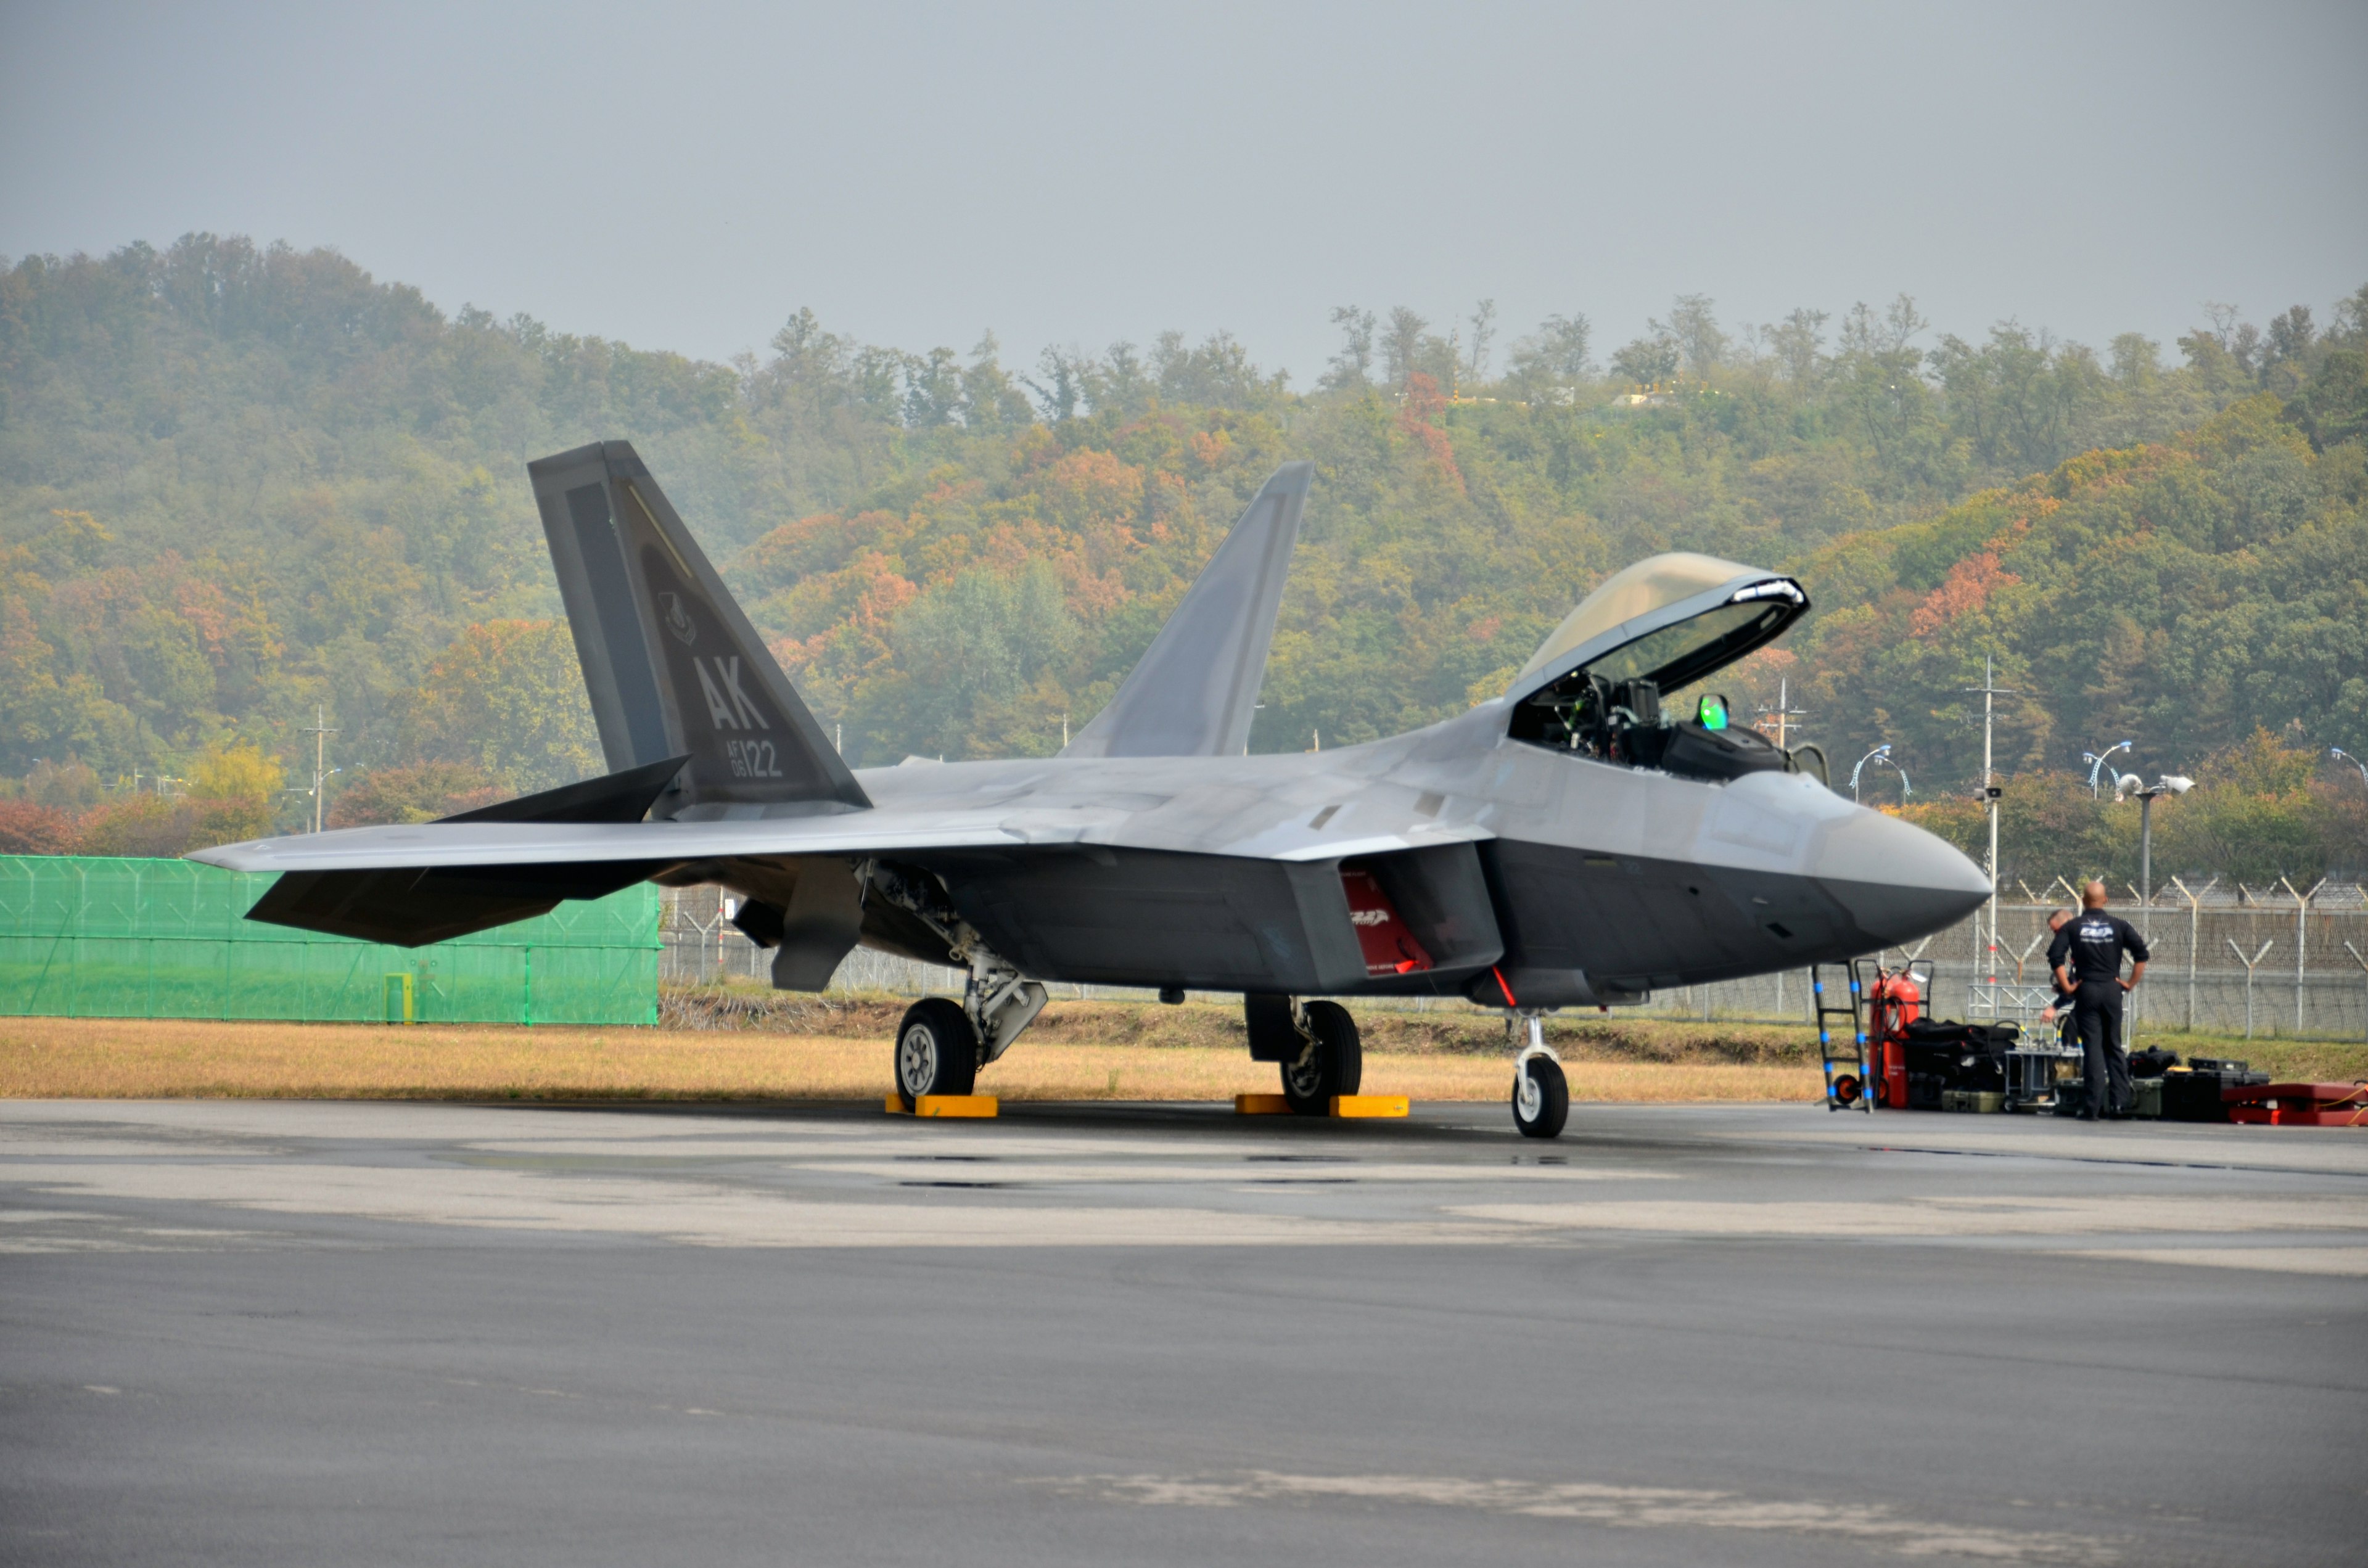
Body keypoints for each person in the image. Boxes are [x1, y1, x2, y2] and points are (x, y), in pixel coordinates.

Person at [2047, 881, 2150, 1120]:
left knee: (2093, 1047)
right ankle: (2119, 1106)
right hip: (2113, 990)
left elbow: (2056, 957)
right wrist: (2130, 983)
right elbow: (2142, 954)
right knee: (2113, 1046)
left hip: (2087, 989)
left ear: (2083, 901)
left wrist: (2067, 987)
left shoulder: (2073, 926)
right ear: (2105, 900)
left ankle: (2091, 1108)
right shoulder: (2119, 925)